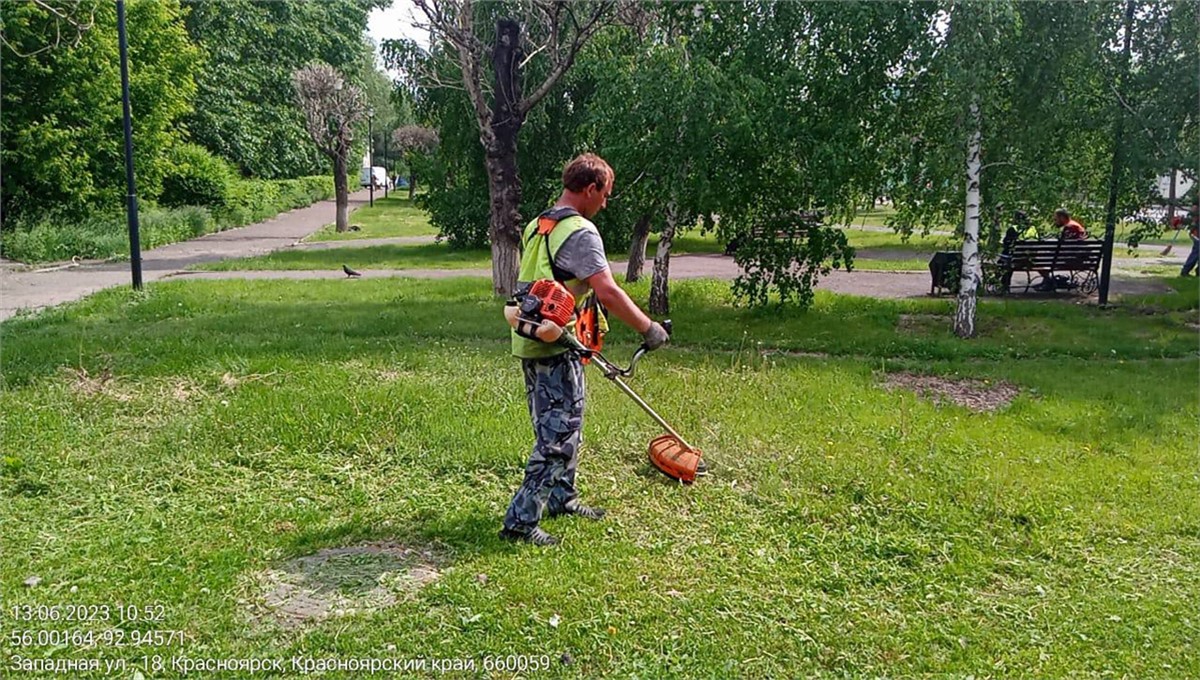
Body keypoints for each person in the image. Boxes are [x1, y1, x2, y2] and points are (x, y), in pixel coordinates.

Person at [499, 153, 676, 547]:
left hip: (534, 336)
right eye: (605, 194)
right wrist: (648, 329)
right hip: (552, 342)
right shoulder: (580, 230)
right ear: (591, 188)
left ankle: (562, 498)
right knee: (558, 436)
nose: (605, 203)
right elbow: (607, 290)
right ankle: (520, 522)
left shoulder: (540, 224)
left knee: (564, 425)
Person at [1035, 208, 1088, 291]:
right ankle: (1047, 281)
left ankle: (1049, 282)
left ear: (1062, 217)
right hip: (1076, 257)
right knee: (1042, 256)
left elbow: (1063, 246)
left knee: (1038, 260)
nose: (1055, 221)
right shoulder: (1074, 225)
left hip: (1070, 259)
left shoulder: (1070, 227)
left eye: (1056, 219)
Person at [1181, 201, 1200, 277]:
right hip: (1197, 233)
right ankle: (1185, 271)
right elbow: (1193, 212)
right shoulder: (1196, 203)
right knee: (1196, 252)